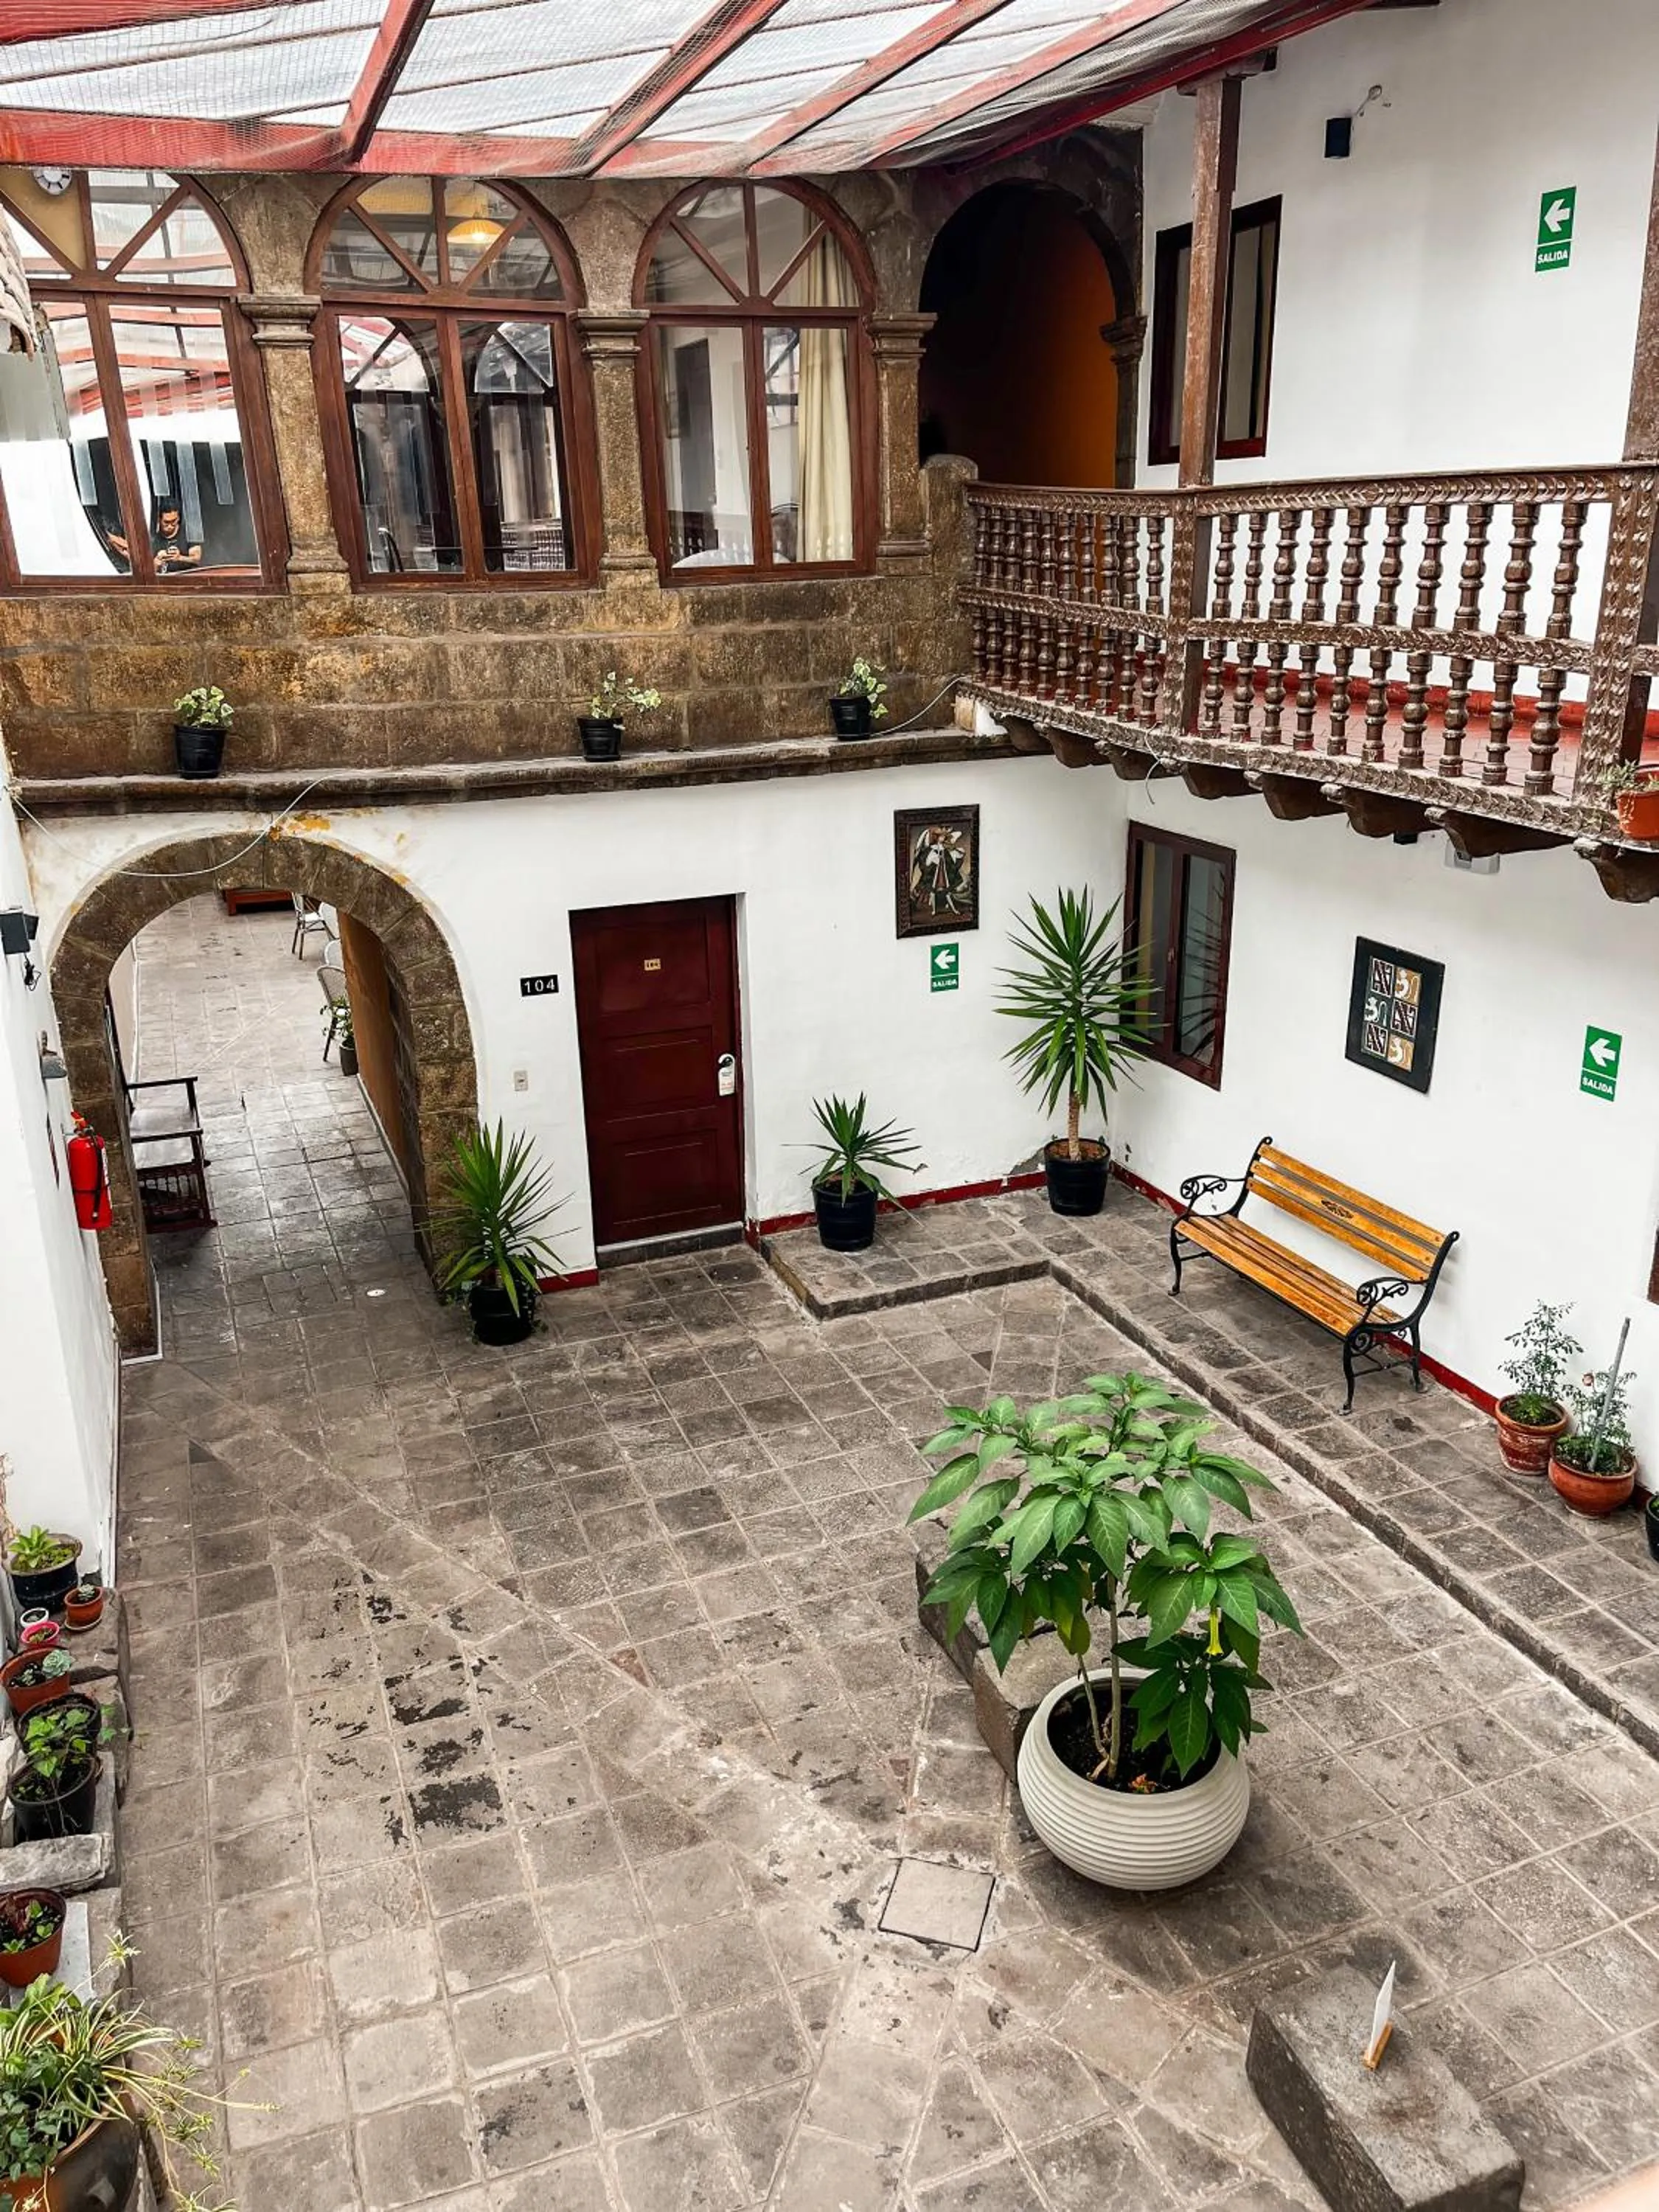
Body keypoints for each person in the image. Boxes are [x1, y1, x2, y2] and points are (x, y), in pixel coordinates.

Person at [108, 501, 201, 575]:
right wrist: (155, 565)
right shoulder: (152, 538)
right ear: (159, 520)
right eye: (166, 522)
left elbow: (197, 559)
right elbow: (142, 567)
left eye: (174, 521)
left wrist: (180, 558)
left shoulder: (189, 533)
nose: (170, 526)